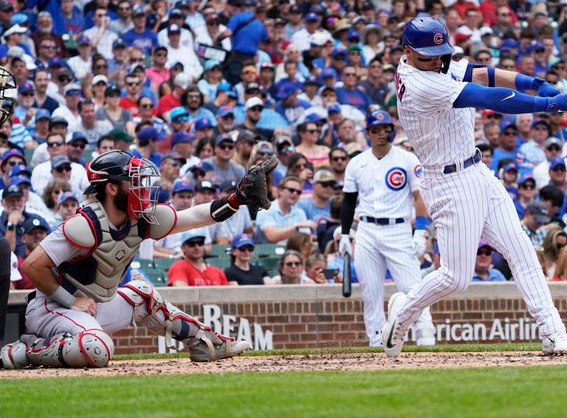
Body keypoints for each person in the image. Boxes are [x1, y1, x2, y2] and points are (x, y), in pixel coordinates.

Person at [382, 16, 567, 357]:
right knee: (456, 278)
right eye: (428, 55)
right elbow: (488, 97)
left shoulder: (437, 64)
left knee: (521, 252)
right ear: (407, 52)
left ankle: (553, 332)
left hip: (477, 171)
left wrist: (536, 81)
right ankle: (404, 310)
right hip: (447, 182)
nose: (438, 61)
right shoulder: (418, 83)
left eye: (441, 53)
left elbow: (481, 71)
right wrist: (544, 104)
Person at [1, 149, 276, 369]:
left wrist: (237, 199)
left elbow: (191, 217)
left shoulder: (140, 219)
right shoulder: (84, 223)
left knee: (142, 293)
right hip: (51, 310)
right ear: (111, 189)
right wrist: (71, 301)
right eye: (133, 181)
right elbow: (32, 266)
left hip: (92, 308)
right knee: (98, 349)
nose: (142, 188)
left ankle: (206, 343)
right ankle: (28, 350)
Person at [340, 109, 436, 347]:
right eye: (376, 130)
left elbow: (419, 197)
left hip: (398, 229)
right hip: (367, 229)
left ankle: (425, 334)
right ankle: (375, 340)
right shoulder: (356, 163)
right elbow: (349, 200)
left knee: (413, 287)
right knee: (370, 292)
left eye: (386, 129)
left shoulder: (407, 159)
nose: (382, 134)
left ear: (393, 130)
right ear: (368, 133)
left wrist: (421, 230)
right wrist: (344, 234)